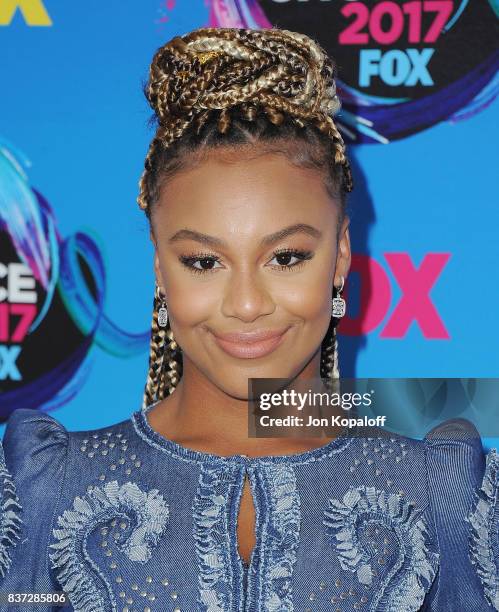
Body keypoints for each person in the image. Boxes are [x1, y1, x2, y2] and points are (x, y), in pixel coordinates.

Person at [0, 26, 497, 612]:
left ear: (339, 256)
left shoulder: (438, 498)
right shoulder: (49, 492)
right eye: (203, 261)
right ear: (161, 267)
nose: (245, 304)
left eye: (285, 257)